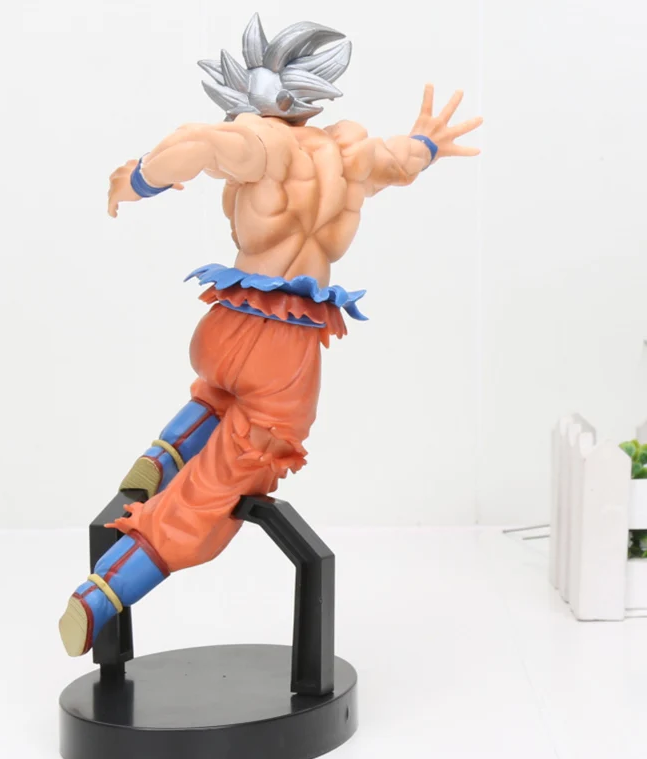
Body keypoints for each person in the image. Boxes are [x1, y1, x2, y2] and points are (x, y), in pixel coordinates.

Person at [59, 13, 482, 657]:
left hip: (228, 321)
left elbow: (196, 143)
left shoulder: (261, 144)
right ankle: (106, 591)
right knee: (245, 461)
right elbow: (401, 159)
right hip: (286, 345)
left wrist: (137, 179)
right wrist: (427, 141)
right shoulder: (344, 154)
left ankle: (162, 457)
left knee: (222, 396)